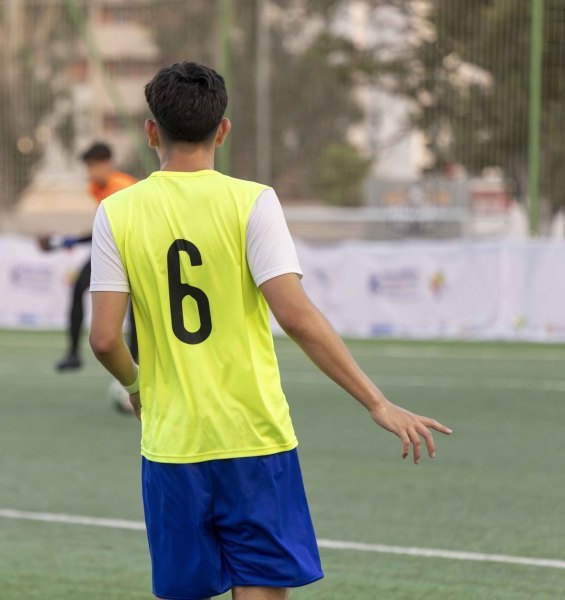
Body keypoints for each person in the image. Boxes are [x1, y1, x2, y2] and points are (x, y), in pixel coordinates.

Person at [88, 62, 452, 600]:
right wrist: (376, 402)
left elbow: (104, 339)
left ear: (150, 131)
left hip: (172, 445)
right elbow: (296, 316)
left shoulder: (115, 212)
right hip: (255, 439)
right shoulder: (253, 201)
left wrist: (137, 387)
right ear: (222, 130)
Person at [39, 142, 138, 372]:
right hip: (112, 251)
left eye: (93, 165)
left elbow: (115, 230)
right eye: (88, 166)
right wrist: (67, 241)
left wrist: (69, 241)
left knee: (137, 310)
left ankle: (137, 363)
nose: (89, 171)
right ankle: (73, 354)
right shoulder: (96, 188)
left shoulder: (121, 187)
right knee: (78, 288)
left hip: (132, 250)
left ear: (108, 164)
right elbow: (105, 230)